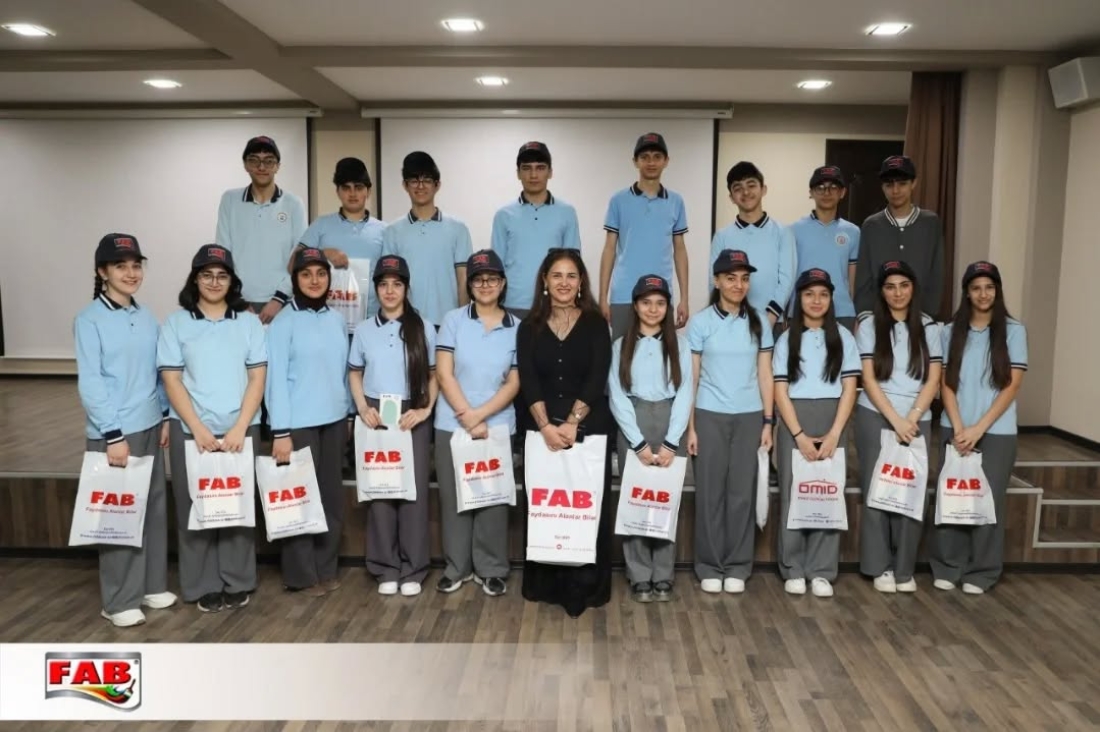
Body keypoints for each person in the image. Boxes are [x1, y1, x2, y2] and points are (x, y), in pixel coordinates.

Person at [74, 233, 176, 627]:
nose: (131, 273)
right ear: (102, 272)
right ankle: (118, 601)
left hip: (149, 424)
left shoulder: (146, 316)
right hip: (114, 433)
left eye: (136, 266)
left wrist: (164, 415)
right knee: (119, 517)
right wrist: (113, 434)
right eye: (121, 266)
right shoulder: (89, 320)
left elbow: (157, 371)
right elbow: (91, 382)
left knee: (153, 510)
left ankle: (150, 585)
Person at [157, 245, 266, 613]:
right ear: (195, 279)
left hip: (241, 428)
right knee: (193, 508)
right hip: (191, 430)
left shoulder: (248, 323)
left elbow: (257, 377)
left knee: (237, 506)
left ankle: (238, 580)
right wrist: (197, 427)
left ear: (232, 281)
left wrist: (239, 426)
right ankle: (201, 583)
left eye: (222, 275)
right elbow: (172, 379)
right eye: (206, 275)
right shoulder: (176, 323)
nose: (215, 282)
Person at [517, 249, 613, 617]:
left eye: (571, 275)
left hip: (587, 429)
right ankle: (547, 585)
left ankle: (584, 587)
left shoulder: (595, 324)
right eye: (556, 275)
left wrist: (572, 422)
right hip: (541, 430)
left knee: (583, 509)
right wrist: (545, 426)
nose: (564, 282)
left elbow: (597, 375)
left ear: (581, 282)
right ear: (544, 280)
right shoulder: (529, 326)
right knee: (547, 508)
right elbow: (528, 379)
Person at [933, 261, 1027, 595]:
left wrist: (979, 429)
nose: (983, 294)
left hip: (997, 432)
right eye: (976, 288)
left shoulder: (1014, 331)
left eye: (989, 287)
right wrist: (960, 427)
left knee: (988, 503)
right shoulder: (949, 331)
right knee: (952, 497)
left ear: (997, 291)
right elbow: (945, 383)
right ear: (967, 293)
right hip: (954, 427)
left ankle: (982, 571)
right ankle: (948, 565)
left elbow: (1012, 386)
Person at [348, 255, 438, 597]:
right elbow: (354, 372)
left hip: (410, 414)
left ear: (406, 288)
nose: (390, 290)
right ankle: (385, 566)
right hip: (376, 414)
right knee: (381, 491)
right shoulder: (364, 330)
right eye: (383, 284)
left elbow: (434, 375)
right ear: (375, 289)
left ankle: (413, 567)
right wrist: (362, 407)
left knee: (412, 493)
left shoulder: (424, 327)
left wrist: (425, 410)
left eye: (397, 284)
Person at [686, 249, 775, 594]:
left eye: (744, 278)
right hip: (709, 415)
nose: (739, 285)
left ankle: (738, 564)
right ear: (717, 281)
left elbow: (765, 374)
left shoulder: (759, 323)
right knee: (710, 494)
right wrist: (691, 426)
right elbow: (692, 378)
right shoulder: (701, 323)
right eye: (731, 278)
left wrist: (768, 422)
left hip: (749, 416)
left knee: (741, 493)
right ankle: (709, 565)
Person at [264, 248, 351, 597]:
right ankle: (300, 574)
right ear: (295, 279)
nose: (314, 280)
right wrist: (280, 432)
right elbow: (274, 382)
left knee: (331, 498)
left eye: (321, 273)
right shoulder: (283, 322)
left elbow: (343, 373)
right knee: (299, 499)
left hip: (334, 421)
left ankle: (326, 568)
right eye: (306, 274)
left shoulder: (337, 319)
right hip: (298, 425)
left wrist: (347, 414)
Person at [434, 249, 520, 597]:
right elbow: (444, 373)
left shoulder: (517, 327)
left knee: (492, 501)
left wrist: (480, 416)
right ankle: (457, 567)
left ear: (503, 283)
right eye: (478, 279)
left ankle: (491, 568)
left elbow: (514, 382)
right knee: (454, 499)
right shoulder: (453, 320)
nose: (486, 285)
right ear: (469, 285)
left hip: (497, 426)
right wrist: (467, 416)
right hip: (451, 423)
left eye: (492, 279)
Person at [855, 260, 942, 594]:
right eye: (890, 287)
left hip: (917, 419)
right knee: (877, 490)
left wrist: (913, 417)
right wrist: (895, 420)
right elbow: (868, 378)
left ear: (913, 288)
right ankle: (879, 566)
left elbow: (934, 379)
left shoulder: (929, 327)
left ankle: (904, 568)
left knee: (911, 492)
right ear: (881, 291)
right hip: (875, 414)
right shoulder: (868, 325)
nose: (897, 293)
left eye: (903, 285)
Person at [772, 269, 860, 598]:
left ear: (831, 299)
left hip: (832, 417)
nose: (816, 301)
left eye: (823, 294)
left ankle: (822, 570)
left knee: (828, 492)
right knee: (794, 492)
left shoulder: (844, 337)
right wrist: (798, 434)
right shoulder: (786, 339)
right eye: (809, 294)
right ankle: (793, 567)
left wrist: (836, 433)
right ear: (799, 299)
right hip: (795, 419)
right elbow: (780, 390)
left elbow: (850, 388)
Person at [607, 274, 692, 603]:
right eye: (646, 303)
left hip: (670, 420)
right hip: (634, 419)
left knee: (665, 500)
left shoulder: (680, 345)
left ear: (668, 307)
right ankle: (640, 574)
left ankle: (663, 573)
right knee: (637, 499)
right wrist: (637, 443)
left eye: (660, 303)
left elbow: (685, 393)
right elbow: (617, 396)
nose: (653, 309)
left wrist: (672, 442)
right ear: (635, 306)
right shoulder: (620, 346)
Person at [600, 132, 689, 340]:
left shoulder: (676, 202)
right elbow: (609, 249)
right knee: (622, 353)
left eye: (657, 157)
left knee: (660, 355)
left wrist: (684, 298)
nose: (651, 162)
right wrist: (603, 297)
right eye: (645, 157)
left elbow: (680, 250)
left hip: (661, 294)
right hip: (624, 295)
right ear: (635, 161)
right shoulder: (618, 200)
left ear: (666, 161)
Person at [215, 135, 307, 324]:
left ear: (277, 166)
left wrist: (279, 299)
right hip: (239, 302)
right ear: (245, 165)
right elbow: (223, 254)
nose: (261, 167)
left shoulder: (293, 203)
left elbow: (300, 257)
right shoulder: (230, 200)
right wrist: (237, 298)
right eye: (254, 160)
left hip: (283, 302)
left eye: (269, 161)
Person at [490, 141, 582, 318]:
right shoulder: (503, 215)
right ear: (518, 173)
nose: (533, 175)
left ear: (550, 172)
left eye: (540, 168)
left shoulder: (567, 213)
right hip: (512, 304)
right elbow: (496, 267)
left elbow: (573, 264)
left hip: (554, 304)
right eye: (526, 168)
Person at [382, 151, 473, 326]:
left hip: (447, 323)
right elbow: (389, 282)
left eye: (427, 180)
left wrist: (462, 323)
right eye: (414, 180)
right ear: (405, 185)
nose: (420, 186)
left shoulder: (458, 229)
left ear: (437, 185)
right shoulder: (392, 231)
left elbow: (463, 279)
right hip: (407, 324)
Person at [709, 162, 797, 332]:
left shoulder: (783, 232)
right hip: (731, 324)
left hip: (773, 323)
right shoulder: (722, 236)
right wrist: (725, 319)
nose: (746, 192)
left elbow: (787, 280)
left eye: (751, 185)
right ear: (731, 197)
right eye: (738, 188)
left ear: (763, 189)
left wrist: (769, 320)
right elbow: (714, 281)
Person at [854, 155, 945, 319]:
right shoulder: (871, 225)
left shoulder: (930, 223)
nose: (895, 191)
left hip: (921, 317)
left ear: (913, 183)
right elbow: (863, 278)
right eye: (889, 185)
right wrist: (865, 316)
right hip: (879, 318)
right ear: (883, 187)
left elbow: (936, 274)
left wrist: (929, 315)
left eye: (902, 184)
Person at [297, 157, 387, 323]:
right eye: (346, 188)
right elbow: (293, 264)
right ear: (337, 191)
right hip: (325, 319)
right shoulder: (320, 225)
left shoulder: (384, 230)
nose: (352, 193)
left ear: (368, 191)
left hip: (371, 320)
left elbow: (391, 277)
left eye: (358, 187)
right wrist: (323, 254)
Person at [789, 166, 861, 330]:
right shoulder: (793, 230)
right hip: (802, 311)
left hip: (842, 312)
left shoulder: (853, 232)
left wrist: (856, 314)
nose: (826, 193)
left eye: (833, 187)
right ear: (811, 193)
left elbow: (853, 281)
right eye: (820, 187)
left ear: (842, 192)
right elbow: (789, 277)